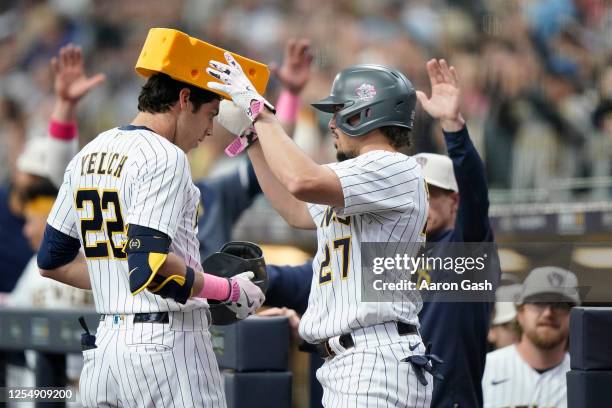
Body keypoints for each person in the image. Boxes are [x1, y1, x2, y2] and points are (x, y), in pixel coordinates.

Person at [208, 54, 472, 406]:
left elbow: (300, 180)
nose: (331, 123)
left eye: (338, 110)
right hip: (354, 361)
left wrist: (261, 112)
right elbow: (296, 209)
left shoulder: (394, 167)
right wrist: (252, 136)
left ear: (365, 112)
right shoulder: (364, 173)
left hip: (375, 358)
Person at [37, 49, 265, 406]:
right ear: (184, 99)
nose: (210, 129)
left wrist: (115, 275)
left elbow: (52, 260)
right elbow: (152, 265)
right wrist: (228, 290)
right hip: (165, 353)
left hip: (103, 353)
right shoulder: (165, 155)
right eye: (210, 114)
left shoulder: (89, 151)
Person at [482, 266, 579, 408]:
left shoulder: (588, 380)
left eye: (560, 304)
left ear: (574, 316)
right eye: (539, 302)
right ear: (520, 313)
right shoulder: (483, 370)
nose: (548, 313)